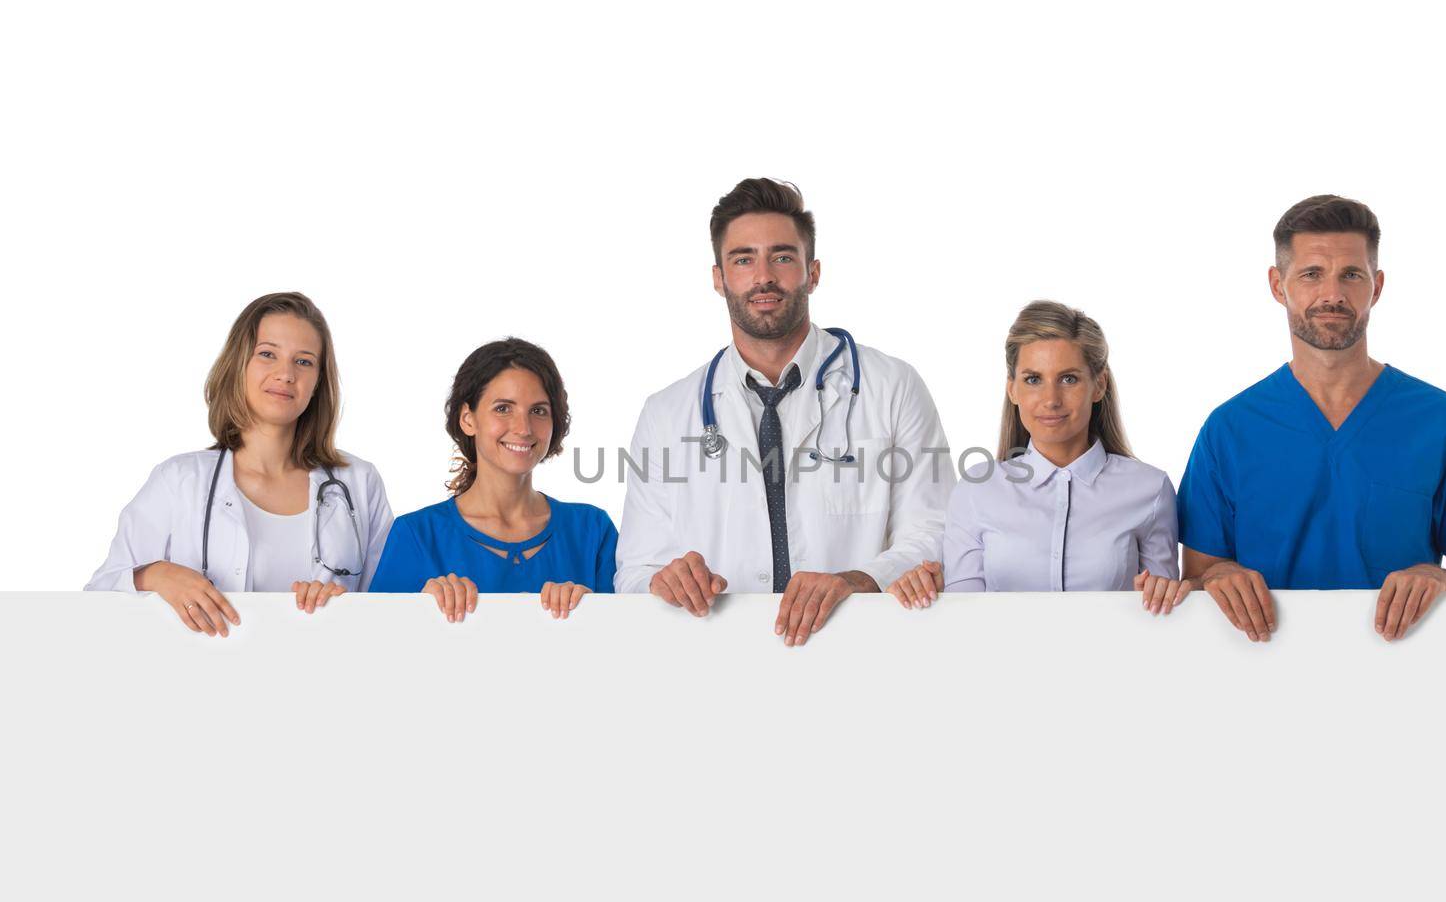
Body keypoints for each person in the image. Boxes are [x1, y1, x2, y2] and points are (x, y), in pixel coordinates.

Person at [614, 178, 954, 646]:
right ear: (719, 278)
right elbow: (634, 570)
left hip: (859, 646)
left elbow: (934, 531)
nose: (763, 276)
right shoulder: (666, 414)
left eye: (782, 257)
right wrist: (663, 581)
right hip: (716, 653)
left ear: (812, 272)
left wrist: (855, 580)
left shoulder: (893, 387)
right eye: (743, 259)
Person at [1176, 195, 1446, 643]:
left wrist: (1444, 580)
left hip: (1405, 673)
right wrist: (1219, 575)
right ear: (1278, 285)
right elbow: (1200, 575)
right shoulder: (1228, 430)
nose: (1333, 294)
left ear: (1376, 287)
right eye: (1312, 274)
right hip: (1260, 673)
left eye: (1351, 275)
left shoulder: (1443, 422)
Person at [86, 292, 392, 635]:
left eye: (304, 361)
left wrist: (343, 606)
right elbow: (98, 597)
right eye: (267, 354)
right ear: (239, 364)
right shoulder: (179, 480)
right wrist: (155, 575)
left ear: (318, 381)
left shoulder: (358, 483)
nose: (286, 374)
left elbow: (395, 602)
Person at [886, 301, 1183, 612]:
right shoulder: (976, 491)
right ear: (1012, 389)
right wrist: (927, 593)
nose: (1051, 400)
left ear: (1099, 385)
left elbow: (1162, 617)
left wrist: (1160, 594)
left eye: (1069, 379)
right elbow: (965, 617)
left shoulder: (1150, 490)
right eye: (1033, 380)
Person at [369, 338, 617, 621]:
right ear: (467, 419)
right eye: (503, 408)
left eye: (538, 411)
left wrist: (596, 615)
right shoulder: (416, 535)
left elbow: (630, 643)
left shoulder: (593, 531)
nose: (523, 428)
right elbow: (376, 646)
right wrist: (422, 613)